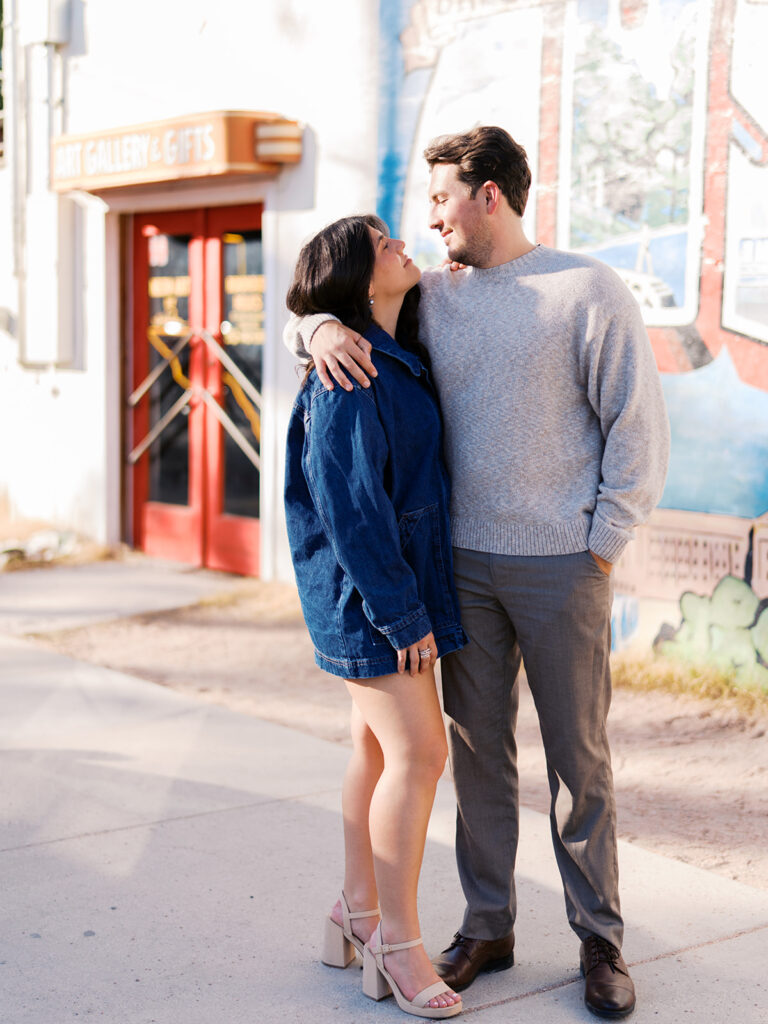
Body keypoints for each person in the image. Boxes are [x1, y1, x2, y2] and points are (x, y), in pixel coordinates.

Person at [284, 127, 671, 1020]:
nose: (429, 221)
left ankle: (600, 943)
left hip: (563, 566)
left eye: (442, 199)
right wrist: (315, 324)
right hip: (456, 569)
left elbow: (636, 429)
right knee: (475, 755)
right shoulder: (436, 299)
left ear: (488, 194)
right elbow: (346, 315)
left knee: (581, 762)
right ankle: (488, 925)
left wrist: (602, 543)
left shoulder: (587, 289)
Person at [283, 214, 468, 1020]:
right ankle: (399, 944)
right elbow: (354, 511)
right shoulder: (349, 372)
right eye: (382, 243)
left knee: (375, 744)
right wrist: (403, 616)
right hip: (371, 599)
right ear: (360, 280)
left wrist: (315, 323)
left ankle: (354, 915)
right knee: (422, 756)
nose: (402, 243)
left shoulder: (391, 348)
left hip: (380, 591)